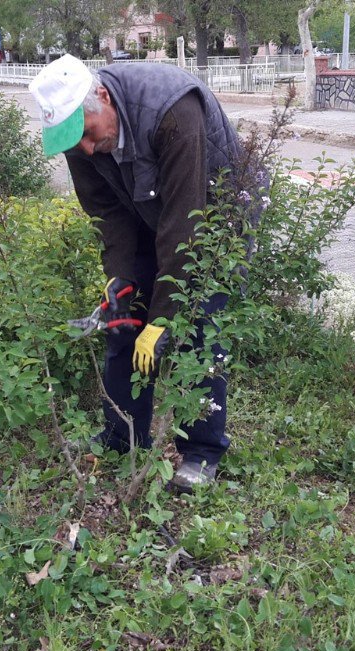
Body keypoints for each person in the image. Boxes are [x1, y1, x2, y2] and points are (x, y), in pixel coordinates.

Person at [29, 55, 248, 492]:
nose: (86, 150)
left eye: (87, 135)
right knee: (123, 318)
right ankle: (122, 436)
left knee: (200, 325)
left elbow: (185, 226)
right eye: (74, 143)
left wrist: (163, 318)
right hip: (150, 212)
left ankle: (201, 452)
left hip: (215, 217)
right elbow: (108, 215)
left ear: (103, 98)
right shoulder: (84, 140)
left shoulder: (172, 111)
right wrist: (122, 281)